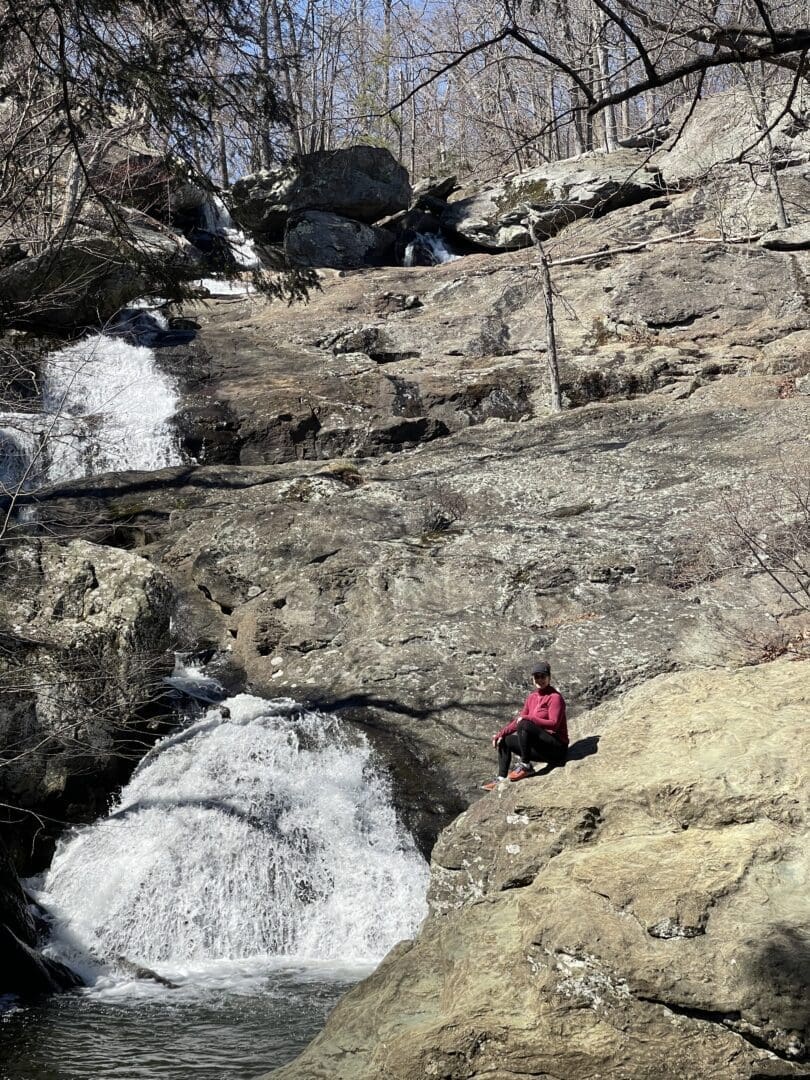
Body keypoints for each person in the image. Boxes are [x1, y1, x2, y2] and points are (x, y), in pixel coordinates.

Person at [482, 661, 568, 790]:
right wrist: (500, 734)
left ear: (549, 677)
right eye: (536, 677)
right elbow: (518, 721)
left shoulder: (555, 697)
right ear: (532, 679)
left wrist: (529, 718)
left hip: (556, 748)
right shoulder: (532, 697)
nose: (540, 680)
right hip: (541, 749)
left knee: (525, 724)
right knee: (505, 740)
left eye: (543, 676)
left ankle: (526, 766)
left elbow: (554, 725)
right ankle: (500, 779)